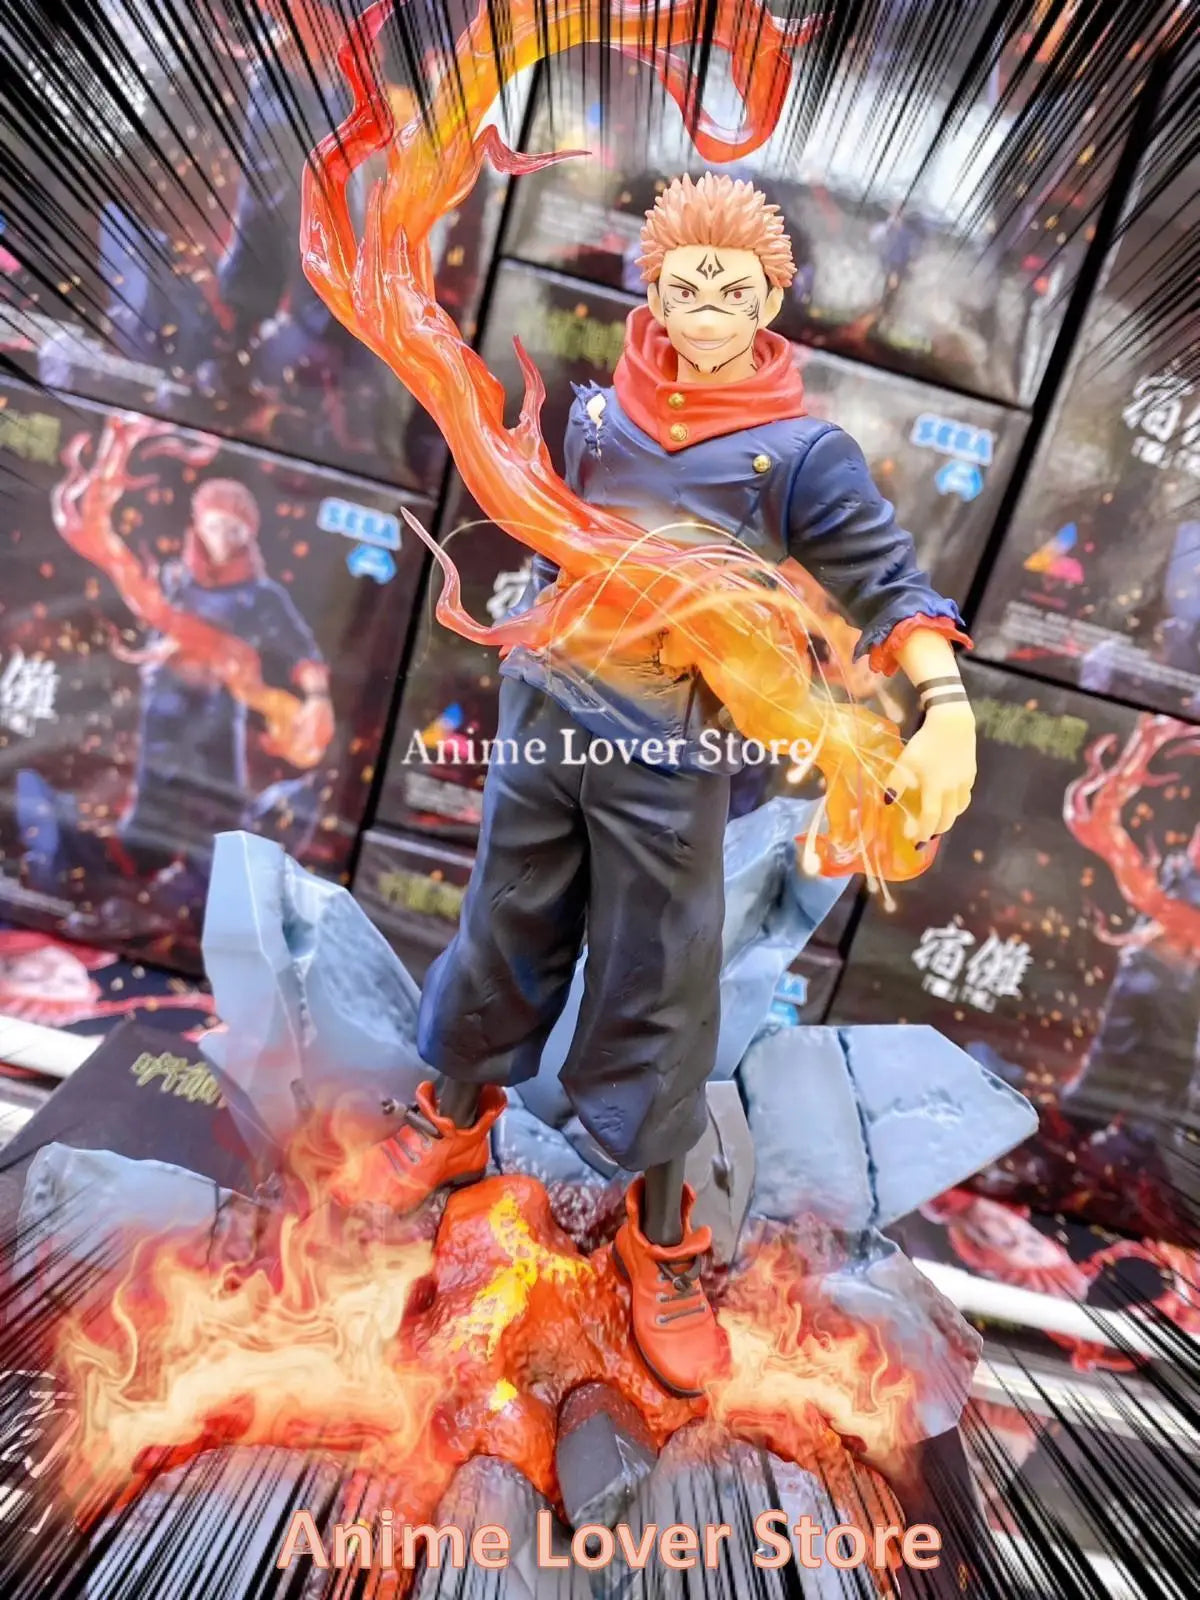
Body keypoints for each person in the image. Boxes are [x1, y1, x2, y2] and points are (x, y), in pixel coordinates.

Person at [329, 173, 978, 1400]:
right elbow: (545, 528)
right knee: (503, 923)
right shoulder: (593, 415)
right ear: (654, 289)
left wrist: (945, 706)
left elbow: (889, 584)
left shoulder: (801, 456)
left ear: (771, 300)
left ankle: (659, 1234)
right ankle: (452, 1119)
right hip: (550, 719)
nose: (707, 310)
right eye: (686, 286)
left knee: (663, 981)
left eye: (732, 290)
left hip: (674, 754)